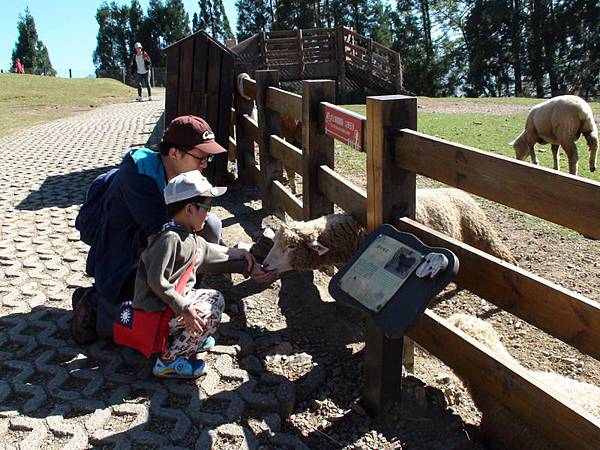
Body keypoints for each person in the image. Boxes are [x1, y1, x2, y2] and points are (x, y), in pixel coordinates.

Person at [71, 115, 277, 344]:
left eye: (207, 157)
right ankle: (93, 300)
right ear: (174, 153)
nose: (205, 164)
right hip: (123, 260)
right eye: (200, 157)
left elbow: (191, 241)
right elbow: (177, 244)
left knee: (211, 224)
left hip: (154, 252)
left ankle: (180, 299)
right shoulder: (139, 180)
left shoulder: (184, 173)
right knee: (121, 326)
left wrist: (240, 259)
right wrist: (238, 260)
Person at [117, 171, 255, 378]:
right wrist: (184, 307)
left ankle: (192, 338)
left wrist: (241, 254)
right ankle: (169, 361)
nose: (208, 214)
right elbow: (156, 280)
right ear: (190, 209)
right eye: (207, 208)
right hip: (155, 311)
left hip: (167, 307)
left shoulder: (187, 235)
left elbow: (208, 251)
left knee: (214, 297)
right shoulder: (169, 239)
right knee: (210, 313)